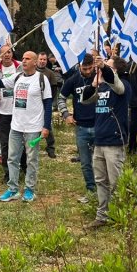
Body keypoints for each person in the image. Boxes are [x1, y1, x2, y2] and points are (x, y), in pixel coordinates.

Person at [0, 48, 52, 203]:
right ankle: (13, 189)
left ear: (35, 62)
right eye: (23, 58)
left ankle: (30, 190)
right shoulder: (17, 77)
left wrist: (46, 127)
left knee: (31, 159)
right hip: (16, 126)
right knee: (12, 158)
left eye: (28, 59)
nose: (23, 61)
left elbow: (48, 104)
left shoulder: (41, 79)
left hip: (33, 127)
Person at [80, 55, 131, 229]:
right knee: (101, 180)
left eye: (107, 67)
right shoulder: (101, 86)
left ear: (115, 70)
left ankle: (120, 216)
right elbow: (85, 99)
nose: (101, 69)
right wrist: (94, 84)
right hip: (99, 140)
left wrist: (105, 68)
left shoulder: (123, 87)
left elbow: (118, 86)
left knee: (116, 181)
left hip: (114, 141)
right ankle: (102, 216)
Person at [57, 54, 97, 200]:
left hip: (99, 125)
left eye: (90, 68)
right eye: (84, 68)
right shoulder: (73, 80)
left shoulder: (99, 77)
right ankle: (91, 190)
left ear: (93, 65)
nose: (87, 71)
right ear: (79, 66)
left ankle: (104, 191)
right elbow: (61, 97)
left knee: (100, 162)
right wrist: (66, 114)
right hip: (81, 126)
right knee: (86, 162)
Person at [0, 44, 22, 180]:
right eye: (4, 53)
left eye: (9, 52)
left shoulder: (20, 66)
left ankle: (23, 166)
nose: (7, 55)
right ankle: (8, 172)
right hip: (3, 112)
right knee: (5, 143)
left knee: (21, 142)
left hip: (19, 111)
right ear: (0, 55)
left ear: (12, 53)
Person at [37, 52, 62, 158]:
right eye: (41, 59)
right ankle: (33, 146)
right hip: (34, 104)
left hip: (46, 103)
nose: (42, 61)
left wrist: (51, 102)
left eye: (44, 60)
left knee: (48, 126)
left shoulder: (50, 73)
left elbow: (54, 89)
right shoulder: (32, 71)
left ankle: (50, 147)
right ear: (37, 60)